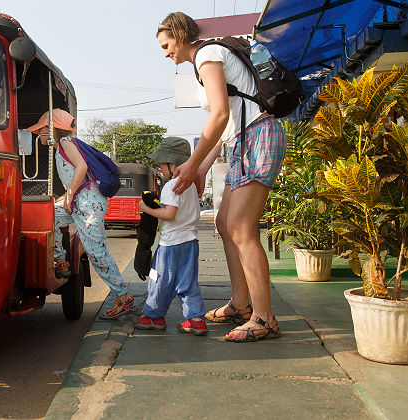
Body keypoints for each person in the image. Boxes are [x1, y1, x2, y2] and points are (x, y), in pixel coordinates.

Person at [156, 12, 286, 342]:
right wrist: (200, 169)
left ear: (182, 35)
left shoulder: (207, 54)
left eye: (167, 44)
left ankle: (264, 318)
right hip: (240, 141)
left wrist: (193, 163)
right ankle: (241, 305)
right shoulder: (205, 59)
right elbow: (226, 127)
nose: (166, 53)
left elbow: (220, 114)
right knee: (224, 223)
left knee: (242, 229)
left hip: (257, 137)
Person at [28, 109, 134, 320]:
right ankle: (62, 261)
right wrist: (64, 198)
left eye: (40, 129)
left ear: (51, 128)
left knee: (96, 251)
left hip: (88, 203)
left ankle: (123, 296)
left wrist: (68, 195)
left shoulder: (66, 142)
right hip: (81, 202)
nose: (38, 133)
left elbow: (82, 168)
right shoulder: (62, 146)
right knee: (50, 216)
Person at [135, 137, 207, 336]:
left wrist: (145, 209)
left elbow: (169, 214)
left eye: (161, 165)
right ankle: (196, 320)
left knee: (158, 279)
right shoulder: (191, 185)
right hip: (190, 242)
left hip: (170, 245)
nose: (160, 170)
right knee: (188, 282)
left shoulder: (172, 185)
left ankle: (153, 316)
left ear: (172, 164)